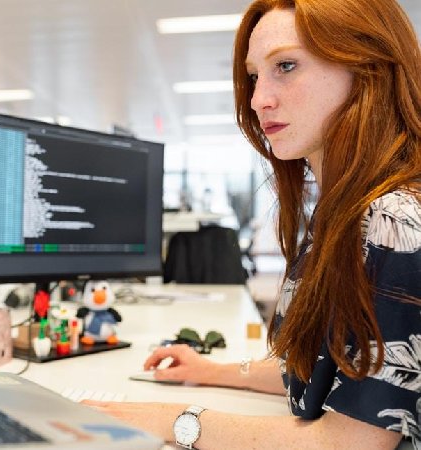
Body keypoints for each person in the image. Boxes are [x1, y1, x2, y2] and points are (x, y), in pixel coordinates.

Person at [83, 0, 421, 448]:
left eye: (286, 65)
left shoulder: (395, 218)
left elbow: (350, 441)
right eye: (254, 76)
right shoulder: (344, 210)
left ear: (368, 68)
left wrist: (174, 421)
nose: (259, 98)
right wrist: (212, 373)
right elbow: (329, 370)